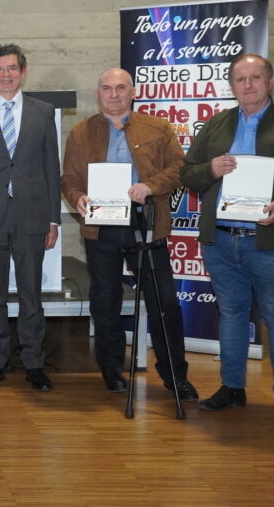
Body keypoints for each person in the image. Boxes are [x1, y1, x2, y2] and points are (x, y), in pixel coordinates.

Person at [180, 53, 274, 428]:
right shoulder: (215, 126)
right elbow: (188, 174)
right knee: (230, 314)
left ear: (270, 82)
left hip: (272, 239)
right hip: (221, 241)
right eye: (240, 79)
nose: (248, 85)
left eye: (255, 78)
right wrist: (209, 169)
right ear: (231, 85)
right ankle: (232, 388)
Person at [61, 68, 197, 400]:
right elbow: (69, 178)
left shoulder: (159, 127)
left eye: (120, 88)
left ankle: (174, 376)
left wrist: (151, 185)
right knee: (104, 301)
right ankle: (111, 369)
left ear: (132, 92)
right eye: (106, 88)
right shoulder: (80, 133)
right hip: (101, 225)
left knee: (163, 302)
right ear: (98, 94)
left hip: (146, 222)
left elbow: (180, 168)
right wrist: (77, 197)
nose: (113, 94)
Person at [0, 43, 61, 392]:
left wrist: (54, 220)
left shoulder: (43, 112)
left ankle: (34, 362)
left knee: (31, 293)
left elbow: (52, 167)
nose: (6, 74)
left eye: (12, 68)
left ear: (23, 71)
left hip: (32, 217)